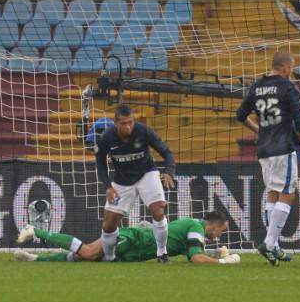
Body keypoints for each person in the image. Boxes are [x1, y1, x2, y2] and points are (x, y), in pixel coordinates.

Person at [236, 52, 300, 266]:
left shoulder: (256, 86)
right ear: (285, 68)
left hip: (264, 150)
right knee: (287, 194)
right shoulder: (287, 87)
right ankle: (269, 242)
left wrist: (259, 130)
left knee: (273, 194)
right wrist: (299, 142)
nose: (291, 73)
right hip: (283, 147)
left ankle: (273, 247)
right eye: (291, 69)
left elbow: (240, 115)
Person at [96, 104, 175, 263]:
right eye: (124, 123)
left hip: (147, 174)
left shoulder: (144, 131)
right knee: (109, 224)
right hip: (122, 180)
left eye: (130, 122)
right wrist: (108, 186)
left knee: (158, 209)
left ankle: (162, 253)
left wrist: (168, 172)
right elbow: (100, 164)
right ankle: (110, 257)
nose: (128, 126)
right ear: (116, 123)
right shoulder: (106, 137)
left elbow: (167, 153)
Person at [15, 212, 241, 264]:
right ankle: (36, 231)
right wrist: (223, 261)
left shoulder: (195, 232)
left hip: (134, 254)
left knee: (86, 259)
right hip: (133, 240)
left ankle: (34, 260)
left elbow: (195, 252)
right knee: (88, 252)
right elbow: (195, 258)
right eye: (221, 231)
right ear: (213, 225)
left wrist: (216, 252)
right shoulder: (195, 227)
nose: (219, 235)